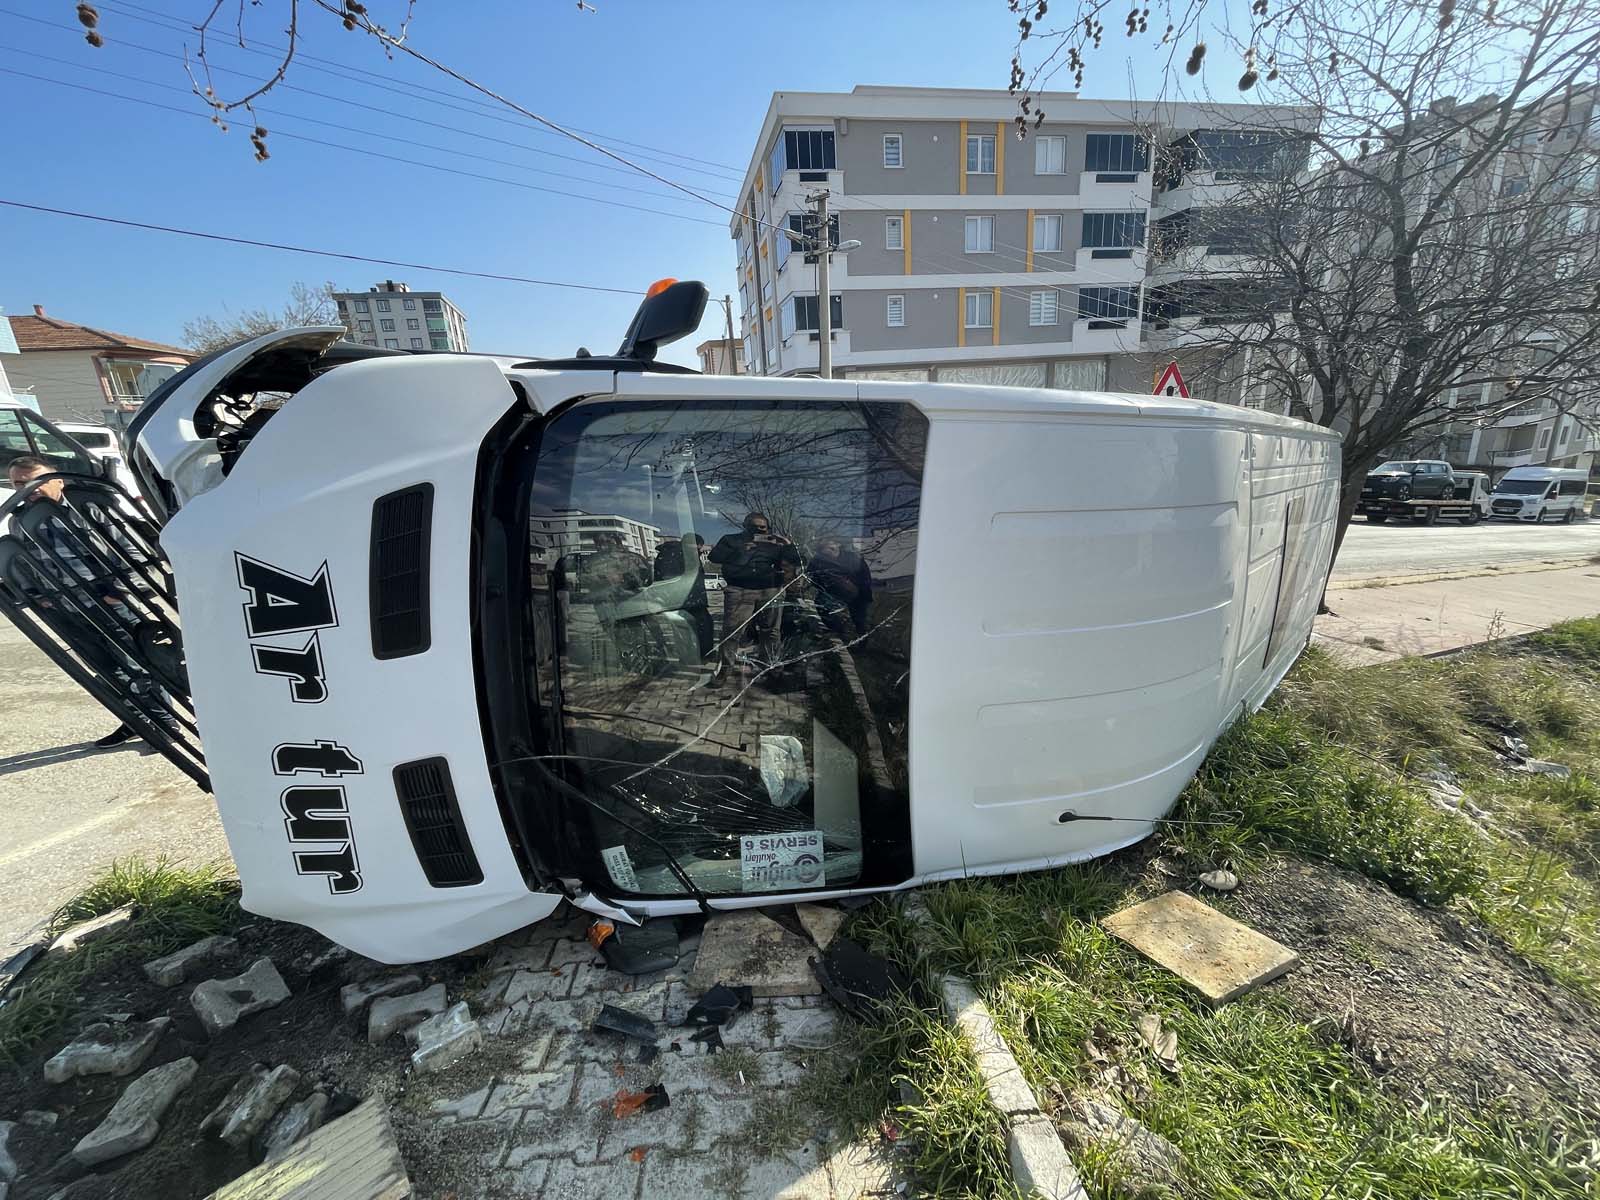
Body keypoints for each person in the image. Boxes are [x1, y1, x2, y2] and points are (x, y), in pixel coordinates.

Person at [6, 455, 174, 747]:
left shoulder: (88, 509)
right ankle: (135, 721)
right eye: (18, 483)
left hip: (111, 605)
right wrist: (38, 596)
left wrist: (119, 592)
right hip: (68, 610)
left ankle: (166, 723)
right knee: (108, 670)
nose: (27, 488)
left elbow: (132, 549)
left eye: (35, 481)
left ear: (57, 480)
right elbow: (22, 564)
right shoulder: (19, 521)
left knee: (138, 664)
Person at [708, 512, 801, 676]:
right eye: (754, 527)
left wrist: (787, 545)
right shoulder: (731, 540)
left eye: (763, 528)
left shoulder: (774, 544)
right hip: (739, 590)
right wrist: (740, 550)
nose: (758, 531)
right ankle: (724, 670)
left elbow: (796, 562)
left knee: (771, 632)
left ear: (767, 528)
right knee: (732, 631)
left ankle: (770, 668)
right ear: (745, 525)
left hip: (770, 590)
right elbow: (714, 557)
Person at [654, 533, 714, 659]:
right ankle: (693, 657)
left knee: (700, 627)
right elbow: (668, 577)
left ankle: (699, 655)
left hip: (692, 599)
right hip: (683, 600)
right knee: (688, 630)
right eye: (699, 547)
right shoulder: (672, 554)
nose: (700, 550)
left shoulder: (682, 554)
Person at [808, 535, 873, 637]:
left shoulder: (852, 558)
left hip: (857, 593)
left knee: (860, 621)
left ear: (838, 545)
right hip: (833, 594)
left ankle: (862, 643)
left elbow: (865, 576)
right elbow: (811, 577)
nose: (826, 549)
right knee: (821, 605)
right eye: (822, 548)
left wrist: (863, 592)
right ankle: (838, 632)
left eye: (829, 544)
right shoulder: (817, 561)